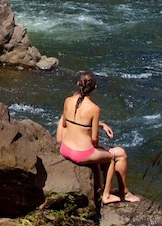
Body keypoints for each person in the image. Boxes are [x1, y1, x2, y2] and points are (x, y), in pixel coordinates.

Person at [57, 70, 141, 204]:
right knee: (112, 157)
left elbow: (65, 123)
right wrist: (102, 148)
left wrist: (100, 124)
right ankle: (107, 196)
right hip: (81, 154)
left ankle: (114, 191)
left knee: (107, 152)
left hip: (65, 149)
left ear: (78, 83)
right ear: (95, 87)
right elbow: (94, 140)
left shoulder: (68, 100)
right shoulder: (94, 108)